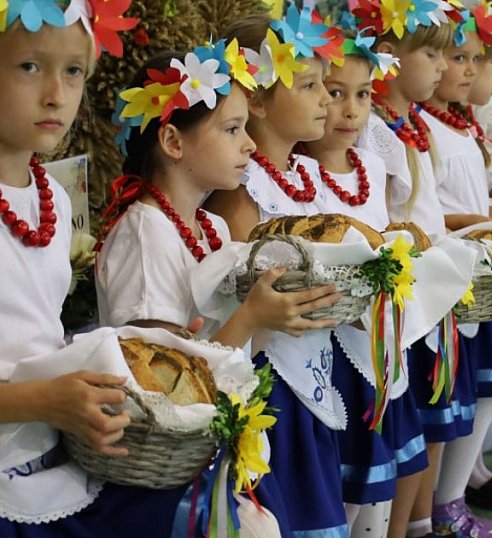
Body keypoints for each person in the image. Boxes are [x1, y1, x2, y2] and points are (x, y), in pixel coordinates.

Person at [0, 2, 197, 536]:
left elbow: (34, 331)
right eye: (29, 67)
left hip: (49, 454)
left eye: (72, 72)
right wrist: (42, 399)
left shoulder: (54, 203)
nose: (55, 95)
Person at [206, 10, 352, 537]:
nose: (326, 100)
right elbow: (247, 290)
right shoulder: (240, 196)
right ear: (259, 100)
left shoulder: (308, 172)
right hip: (272, 383)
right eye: (310, 86)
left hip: (315, 360)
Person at [303, 31, 429, 537]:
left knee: (384, 480)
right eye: (334, 93)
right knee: (346, 486)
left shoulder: (372, 167)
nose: (350, 110)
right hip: (332, 350)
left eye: (362, 95)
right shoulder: (299, 174)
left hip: (379, 342)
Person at [352, 4, 462, 536]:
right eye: (432, 52)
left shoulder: (413, 125)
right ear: (389, 55)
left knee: (423, 429)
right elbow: (382, 220)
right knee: (403, 431)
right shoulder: (372, 130)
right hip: (404, 296)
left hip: (427, 289)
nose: (442, 67)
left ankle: (421, 524)